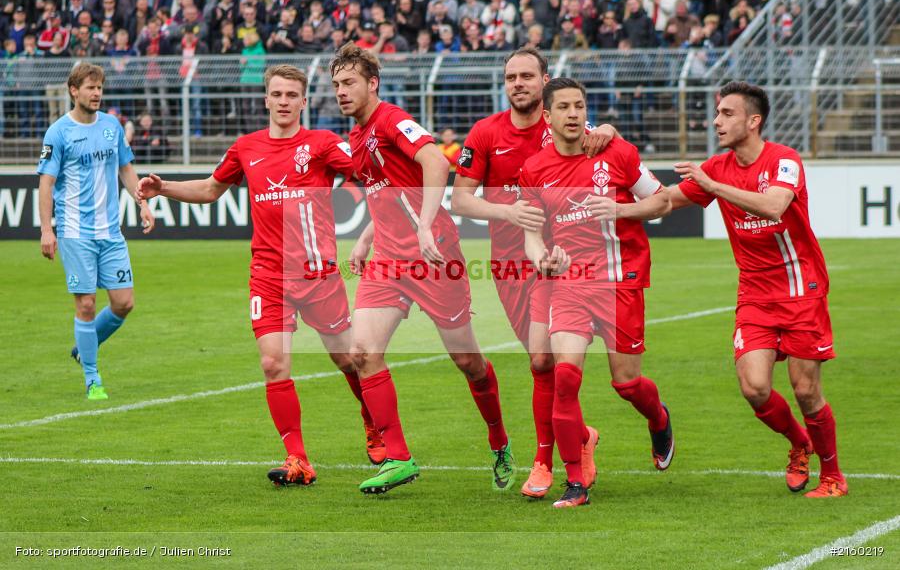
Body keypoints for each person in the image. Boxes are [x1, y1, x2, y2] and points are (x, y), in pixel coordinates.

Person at [135, 64, 385, 487]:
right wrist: (165, 188)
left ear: (304, 101)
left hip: (319, 275)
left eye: (292, 95)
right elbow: (212, 189)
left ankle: (373, 421)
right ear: (266, 99)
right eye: (277, 94)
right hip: (268, 275)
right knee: (273, 363)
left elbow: (374, 177)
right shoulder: (246, 147)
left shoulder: (322, 144)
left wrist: (363, 228)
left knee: (348, 359)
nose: (284, 102)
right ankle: (298, 459)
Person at [330, 43, 515, 495]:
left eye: (349, 82)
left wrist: (429, 224)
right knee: (362, 352)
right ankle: (398, 457)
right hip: (389, 261)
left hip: (435, 259)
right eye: (335, 84)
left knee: (467, 361)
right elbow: (388, 193)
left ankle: (499, 442)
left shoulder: (391, 119)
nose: (340, 91)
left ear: (372, 83)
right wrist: (366, 239)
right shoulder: (357, 135)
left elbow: (435, 161)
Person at [450, 47, 617, 500]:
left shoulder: (564, 125)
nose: (518, 83)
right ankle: (581, 438)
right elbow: (460, 200)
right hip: (512, 265)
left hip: (565, 264)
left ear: (545, 80)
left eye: (527, 75)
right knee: (542, 361)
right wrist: (511, 213)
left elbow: (606, 140)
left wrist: (606, 129)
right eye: (510, 77)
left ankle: (545, 461)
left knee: (548, 363)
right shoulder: (486, 133)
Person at [667, 81, 847, 498]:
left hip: (801, 287)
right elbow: (664, 201)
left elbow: (773, 205)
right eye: (717, 113)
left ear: (754, 120)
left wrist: (711, 187)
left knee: (806, 389)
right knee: (754, 387)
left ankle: (833, 476)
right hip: (754, 293)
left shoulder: (784, 159)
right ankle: (799, 444)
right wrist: (613, 206)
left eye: (727, 113)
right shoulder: (715, 167)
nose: (716, 121)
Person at [518, 77, 674, 508]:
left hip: (622, 281)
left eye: (580, 106)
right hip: (571, 283)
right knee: (564, 377)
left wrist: (622, 208)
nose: (573, 114)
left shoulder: (616, 153)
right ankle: (575, 484)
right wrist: (541, 258)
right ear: (547, 117)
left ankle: (659, 420)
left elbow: (661, 202)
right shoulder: (534, 169)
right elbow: (531, 233)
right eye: (564, 107)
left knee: (626, 383)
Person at [37, 63, 155, 400]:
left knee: (124, 302)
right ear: (74, 90)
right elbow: (46, 183)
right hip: (75, 232)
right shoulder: (58, 132)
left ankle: (83, 348)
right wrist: (47, 229)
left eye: (100, 87)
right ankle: (92, 378)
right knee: (86, 304)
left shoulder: (111, 127)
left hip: (110, 231)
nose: (97, 93)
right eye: (90, 87)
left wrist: (142, 202)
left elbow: (125, 168)